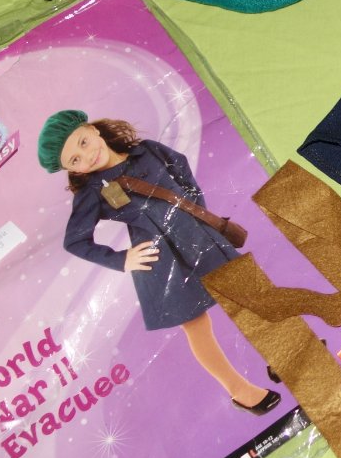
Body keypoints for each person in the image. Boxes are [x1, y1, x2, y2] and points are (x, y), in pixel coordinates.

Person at [37, 109, 281, 415]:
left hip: (198, 238)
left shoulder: (147, 151)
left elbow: (182, 171)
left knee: (244, 294)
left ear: (93, 129)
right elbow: (75, 240)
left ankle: (282, 353)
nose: (86, 157)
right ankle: (240, 391)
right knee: (197, 326)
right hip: (161, 262)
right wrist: (122, 259)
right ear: (71, 170)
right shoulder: (91, 192)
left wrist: (196, 213)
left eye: (83, 142)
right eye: (74, 160)